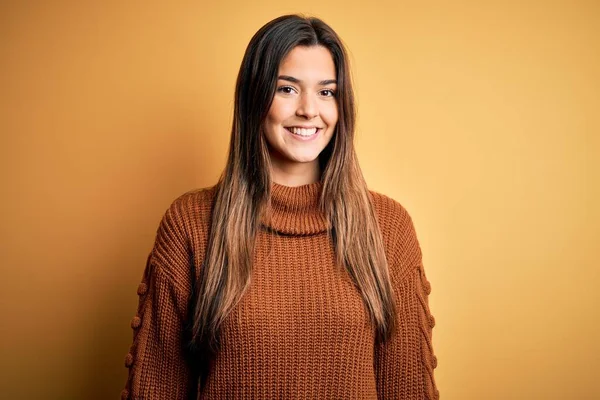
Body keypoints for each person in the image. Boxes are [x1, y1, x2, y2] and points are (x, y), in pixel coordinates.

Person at [121, 14, 438, 400]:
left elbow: (406, 390)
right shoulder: (191, 224)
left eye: (326, 92)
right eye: (287, 89)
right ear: (255, 98)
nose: (308, 110)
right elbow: (157, 388)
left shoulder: (388, 227)